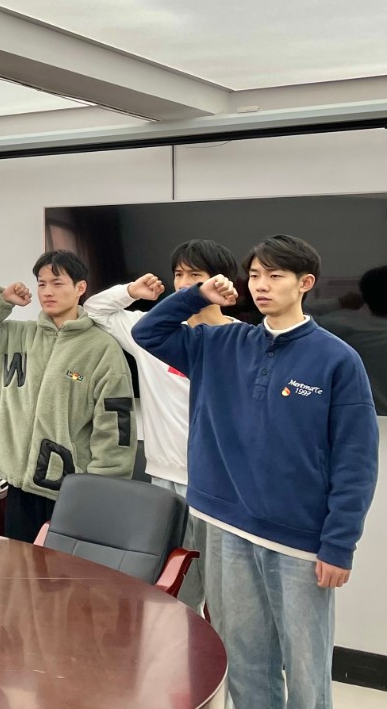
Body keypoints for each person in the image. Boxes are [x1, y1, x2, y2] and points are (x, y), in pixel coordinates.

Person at [134, 235, 379, 709]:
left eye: (275, 276)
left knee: (306, 668)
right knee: (244, 659)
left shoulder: (337, 359)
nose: (261, 285)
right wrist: (196, 294)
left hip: (297, 538)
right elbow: (150, 333)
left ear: (305, 283)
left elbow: (357, 459)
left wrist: (339, 543)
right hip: (225, 524)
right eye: (254, 276)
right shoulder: (219, 342)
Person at [81, 239, 238, 610]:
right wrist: (131, 292)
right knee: (168, 587)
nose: (183, 283)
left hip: (216, 484)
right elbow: (94, 310)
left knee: (222, 589)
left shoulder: (241, 339)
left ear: (219, 280)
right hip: (162, 478)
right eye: (178, 274)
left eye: (194, 275)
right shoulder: (150, 331)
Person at [0, 250, 135, 543]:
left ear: (80, 287)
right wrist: (1, 300)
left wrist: (100, 489)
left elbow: (116, 426)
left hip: (68, 490)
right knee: (18, 566)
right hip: (16, 485)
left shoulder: (102, 348)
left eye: (57, 283)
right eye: (41, 284)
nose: (47, 291)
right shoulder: (15, 336)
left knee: (60, 569)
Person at [315, 265, 387, 418]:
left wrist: (339, 302)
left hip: (355, 422)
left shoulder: (337, 330)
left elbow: (292, 316)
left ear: (364, 297)